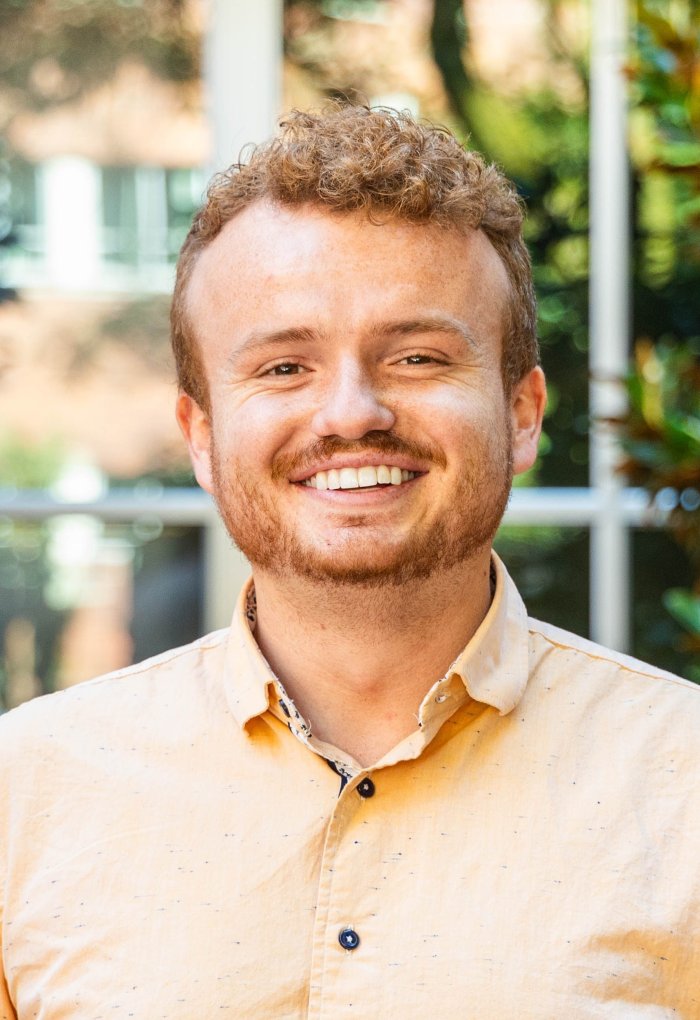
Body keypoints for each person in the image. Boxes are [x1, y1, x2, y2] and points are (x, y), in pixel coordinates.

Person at [1, 105, 698, 1019]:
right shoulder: (26, 794)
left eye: (415, 356)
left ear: (523, 413)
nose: (351, 413)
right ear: (201, 438)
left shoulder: (683, 784)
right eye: (285, 368)